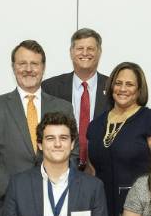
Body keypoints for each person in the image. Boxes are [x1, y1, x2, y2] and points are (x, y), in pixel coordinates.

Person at [0, 40, 74, 216]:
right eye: (22, 64)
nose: (28, 69)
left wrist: (57, 191)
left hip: (55, 203)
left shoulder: (63, 107)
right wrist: (14, 193)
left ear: (43, 68)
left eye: (34, 64)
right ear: (13, 67)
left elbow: (73, 151)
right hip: (5, 203)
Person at [87, 62, 151, 216]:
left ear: (139, 89)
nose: (122, 88)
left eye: (129, 84)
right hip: (102, 204)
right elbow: (91, 169)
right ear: (111, 86)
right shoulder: (95, 125)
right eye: (118, 83)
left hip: (139, 204)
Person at [42, 28, 110, 170]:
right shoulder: (50, 87)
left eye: (90, 48)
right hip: (60, 169)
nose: (85, 53)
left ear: (99, 52)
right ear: (71, 52)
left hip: (102, 170)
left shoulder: (113, 88)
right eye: (80, 48)